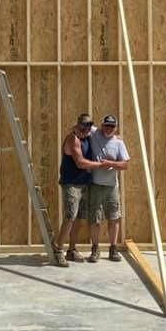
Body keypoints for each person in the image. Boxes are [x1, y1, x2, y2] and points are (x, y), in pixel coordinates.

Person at [54, 113, 102, 267]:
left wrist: (117, 138)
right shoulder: (73, 139)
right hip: (72, 184)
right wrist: (100, 165)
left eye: (88, 127)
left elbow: (106, 132)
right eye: (82, 126)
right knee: (70, 217)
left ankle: (72, 250)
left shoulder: (88, 134)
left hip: (84, 184)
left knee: (78, 219)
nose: (85, 129)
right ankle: (58, 251)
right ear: (78, 125)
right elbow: (80, 163)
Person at [88, 114, 130, 262]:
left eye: (112, 126)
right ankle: (95, 249)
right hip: (95, 185)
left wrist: (110, 164)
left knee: (113, 217)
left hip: (112, 187)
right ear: (102, 125)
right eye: (106, 125)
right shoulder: (94, 133)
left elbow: (125, 165)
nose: (109, 129)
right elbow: (81, 124)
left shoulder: (118, 143)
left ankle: (113, 249)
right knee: (95, 218)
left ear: (116, 127)